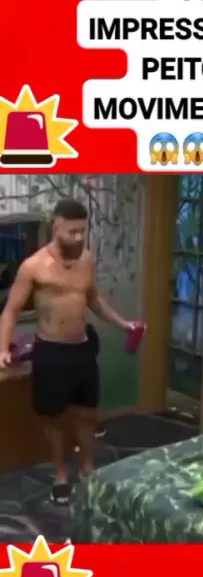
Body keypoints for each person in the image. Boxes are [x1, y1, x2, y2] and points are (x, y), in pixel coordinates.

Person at [0, 198, 138, 505]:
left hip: (82, 350)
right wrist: (2, 348)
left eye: (82, 231)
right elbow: (10, 311)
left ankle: (87, 469)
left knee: (87, 415)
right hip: (51, 351)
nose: (78, 238)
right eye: (72, 232)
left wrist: (122, 322)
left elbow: (93, 298)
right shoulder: (33, 267)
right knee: (54, 418)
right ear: (56, 226)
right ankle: (60, 474)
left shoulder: (86, 259)